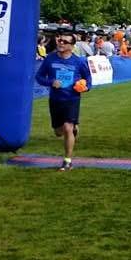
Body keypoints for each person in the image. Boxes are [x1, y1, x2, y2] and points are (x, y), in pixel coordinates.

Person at [35, 29, 92, 170]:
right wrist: (50, 82)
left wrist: (85, 87)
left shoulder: (78, 62)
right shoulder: (50, 59)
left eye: (65, 42)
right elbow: (39, 77)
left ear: (72, 46)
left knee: (67, 128)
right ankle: (71, 129)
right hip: (55, 99)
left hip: (72, 99)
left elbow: (88, 79)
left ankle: (67, 161)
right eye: (60, 40)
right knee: (58, 131)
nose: (61, 43)